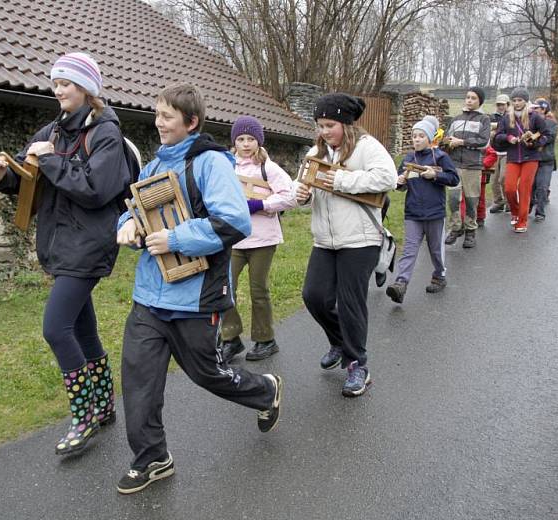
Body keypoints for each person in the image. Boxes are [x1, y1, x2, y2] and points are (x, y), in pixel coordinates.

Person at [115, 83, 282, 495]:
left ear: (191, 122)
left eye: (167, 116)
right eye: (156, 114)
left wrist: (174, 239)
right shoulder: (152, 168)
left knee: (207, 374)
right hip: (149, 298)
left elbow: (234, 223)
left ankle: (265, 390)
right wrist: (128, 227)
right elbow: (133, 211)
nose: (158, 122)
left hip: (196, 298)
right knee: (138, 381)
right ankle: (152, 457)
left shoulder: (210, 163)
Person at [0, 53, 132, 455]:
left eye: (66, 82)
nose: (58, 89)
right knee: (82, 329)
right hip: (59, 242)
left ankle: (83, 417)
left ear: (86, 88)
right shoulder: (50, 130)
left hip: (89, 243)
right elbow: (31, 178)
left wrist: (49, 158)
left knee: (55, 328)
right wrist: (2, 178)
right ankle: (104, 406)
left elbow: (95, 188)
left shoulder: (105, 134)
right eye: (55, 82)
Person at [295, 93, 397, 397]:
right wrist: (301, 194)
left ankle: (358, 366)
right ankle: (339, 341)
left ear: (346, 124)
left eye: (330, 125)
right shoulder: (318, 150)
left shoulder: (366, 147)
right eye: (320, 125)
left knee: (350, 302)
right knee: (313, 296)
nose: (324, 131)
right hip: (325, 240)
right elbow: (303, 180)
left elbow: (388, 177)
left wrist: (340, 181)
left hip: (360, 238)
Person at [220, 116, 298, 362]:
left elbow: (291, 196)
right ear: (234, 142)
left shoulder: (269, 168)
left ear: (258, 141)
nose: (245, 144)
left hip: (263, 240)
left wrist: (260, 204)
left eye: (250, 139)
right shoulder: (227, 166)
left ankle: (266, 340)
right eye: (241, 139)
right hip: (234, 239)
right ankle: (230, 339)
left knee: (258, 290)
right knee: (224, 288)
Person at [386, 119, 460, 303]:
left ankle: (439, 276)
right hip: (413, 213)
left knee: (435, 250)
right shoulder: (409, 158)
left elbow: (454, 179)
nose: (417, 140)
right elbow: (399, 184)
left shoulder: (440, 157)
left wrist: (435, 175)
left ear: (430, 138)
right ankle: (401, 284)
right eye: (414, 136)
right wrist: (400, 182)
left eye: (421, 136)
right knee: (410, 250)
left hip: (435, 213)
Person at [493, 87, 551, 233]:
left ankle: (522, 220)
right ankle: (515, 211)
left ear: (526, 101)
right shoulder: (506, 118)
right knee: (509, 188)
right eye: (514, 100)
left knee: (524, 189)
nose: (517, 103)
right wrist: (509, 138)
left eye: (520, 100)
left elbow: (547, 135)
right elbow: (498, 137)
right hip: (513, 157)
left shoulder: (535, 117)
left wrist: (534, 142)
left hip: (531, 157)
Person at [444, 87, 491, 248]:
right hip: (454, 164)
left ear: (480, 101)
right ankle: (456, 228)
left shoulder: (484, 119)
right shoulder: (456, 118)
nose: (469, 100)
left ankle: (471, 231)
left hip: (472, 165)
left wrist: (462, 142)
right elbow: (448, 137)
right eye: (468, 97)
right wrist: (447, 141)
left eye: (473, 98)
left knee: (471, 200)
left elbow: (483, 141)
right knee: (453, 199)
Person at [531, 98, 558, 221]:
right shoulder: (530, 121)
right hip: (532, 159)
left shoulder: (551, 123)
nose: (534, 110)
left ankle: (540, 212)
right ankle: (529, 206)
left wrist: (534, 140)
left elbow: (549, 137)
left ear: (543, 109)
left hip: (546, 160)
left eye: (536, 108)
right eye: (533, 108)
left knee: (542, 186)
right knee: (531, 186)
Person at [489, 94, 511, 213]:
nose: (500, 107)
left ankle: (509, 202)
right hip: (494, 151)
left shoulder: (511, 117)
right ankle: (498, 202)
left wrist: (496, 128)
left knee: (503, 178)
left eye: (503, 104)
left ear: (508, 105)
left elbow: (509, 130)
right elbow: (488, 130)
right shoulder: (492, 116)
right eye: (498, 104)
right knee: (494, 181)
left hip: (507, 151)